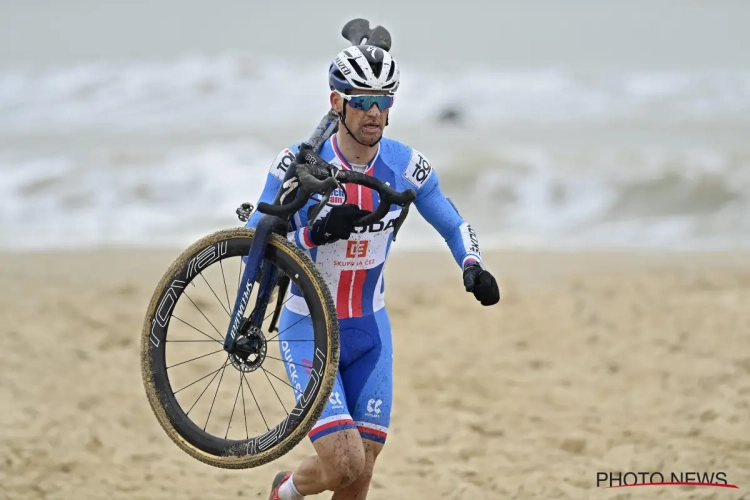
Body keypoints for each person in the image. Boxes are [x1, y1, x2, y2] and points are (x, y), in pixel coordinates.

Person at [244, 44, 500, 500]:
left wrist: (473, 263)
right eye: (363, 101)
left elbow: (453, 222)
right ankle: (283, 493)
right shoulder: (298, 164)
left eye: (385, 102)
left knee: (361, 471)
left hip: (371, 329)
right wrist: (313, 235)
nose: (375, 113)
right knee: (342, 463)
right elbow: (253, 248)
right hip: (310, 325)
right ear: (336, 103)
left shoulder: (405, 166)